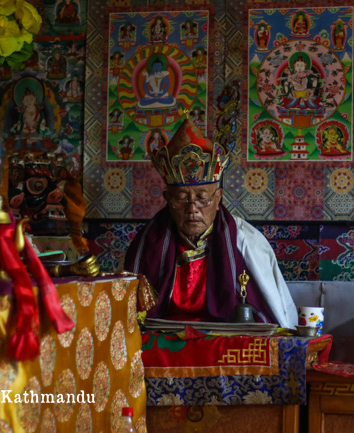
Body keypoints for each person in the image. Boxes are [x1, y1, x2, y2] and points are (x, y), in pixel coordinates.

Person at [124, 118, 297, 328]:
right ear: (168, 200)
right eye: (181, 197)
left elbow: (277, 308)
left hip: (226, 335)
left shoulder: (245, 240)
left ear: (218, 199)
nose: (192, 208)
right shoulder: (147, 243)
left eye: (202, 197)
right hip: (164, 333)